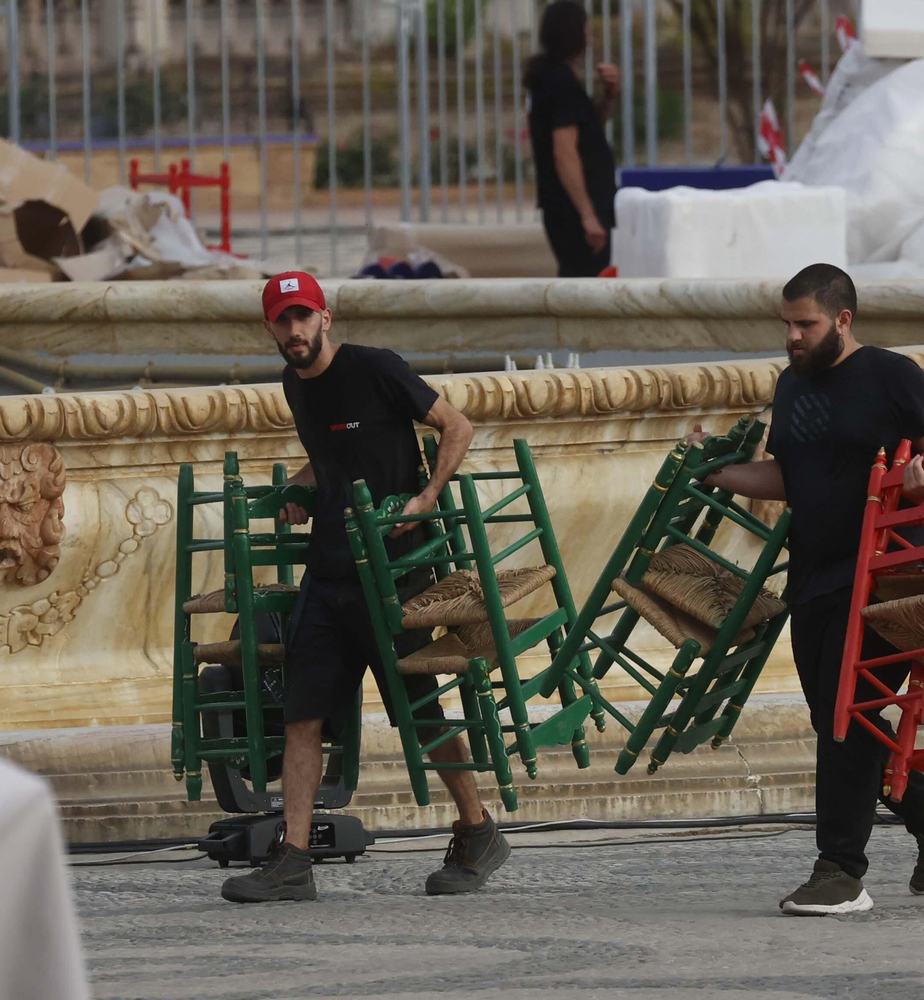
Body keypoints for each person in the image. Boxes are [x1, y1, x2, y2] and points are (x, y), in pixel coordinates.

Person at [691, 264, 924, 916]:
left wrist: (922, 477)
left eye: (806, 324)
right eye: (787, 324)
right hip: (815, 574)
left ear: (842, 320)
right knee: (834, 719)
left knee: (847, 717)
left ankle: (840, 872)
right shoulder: (792, 386)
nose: (792, 335)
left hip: (888, 576)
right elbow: (792, 478)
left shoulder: (892, 376)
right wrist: (719, 473)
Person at [221, 272, 511, 903]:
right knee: (303, 714)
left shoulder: (378, 368)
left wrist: (427, 497)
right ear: (268, 328)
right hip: (328, 576)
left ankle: (478, 828)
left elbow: (455, 427)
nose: (294, 331)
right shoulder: (294, 384)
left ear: (326, 317)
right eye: (282, 320)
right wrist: (298, 491)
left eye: (303, 317)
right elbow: (328, 458)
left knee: (420, 708)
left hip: (395, 572)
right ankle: (293, 859)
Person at [524, 0, 619, 277]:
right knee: (585, 283)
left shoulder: (554, 80)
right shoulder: (560, 84)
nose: (590, 33)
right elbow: (564, 152)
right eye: (586, 26)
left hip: (567, 208)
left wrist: (609, 96)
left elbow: (586, 132)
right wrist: (587, 215)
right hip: (573, 211)